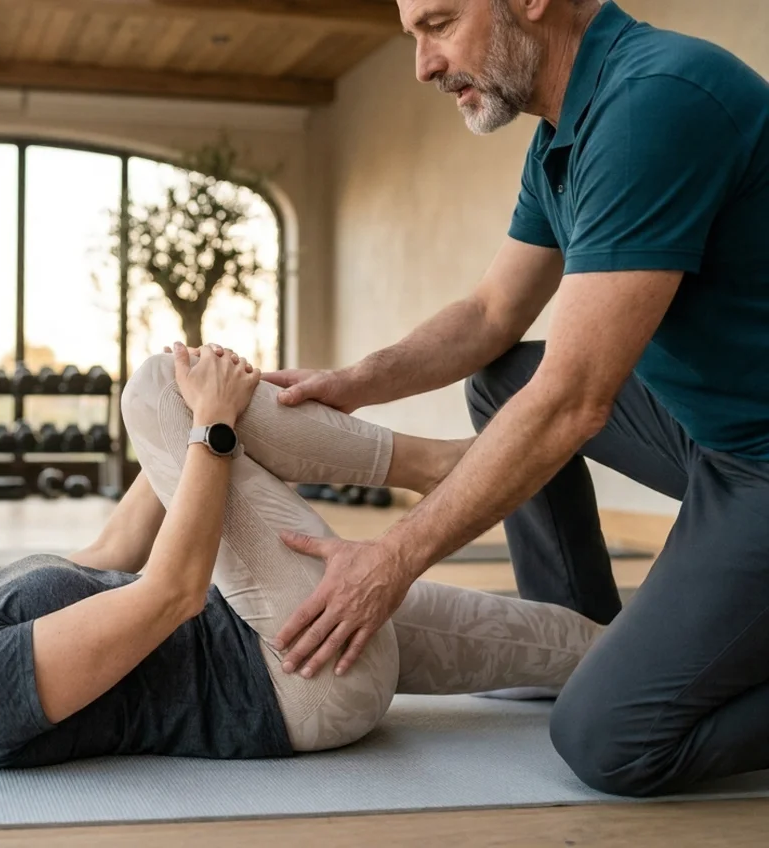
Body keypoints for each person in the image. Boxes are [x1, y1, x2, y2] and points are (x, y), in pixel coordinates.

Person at [261, 0, 769, 797]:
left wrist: (391, 560)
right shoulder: (563, 137)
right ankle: (573, 634)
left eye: (439, 24)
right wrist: (354, 382)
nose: (424, 66)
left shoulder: (655, 102)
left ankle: (607, 682)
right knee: (504, 378)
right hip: (716, 429)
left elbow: (573, 401)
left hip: (759, 462)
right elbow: (491, 314)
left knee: (610, 740)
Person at [0, 346, 602, 767]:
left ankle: (681, 654)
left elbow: (114, 551)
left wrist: (182, 442)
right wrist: (209, 424)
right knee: (155, 388)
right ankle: (452, 467)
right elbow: (169, 593)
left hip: (294, 618)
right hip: (294, 673)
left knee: (585, 651)